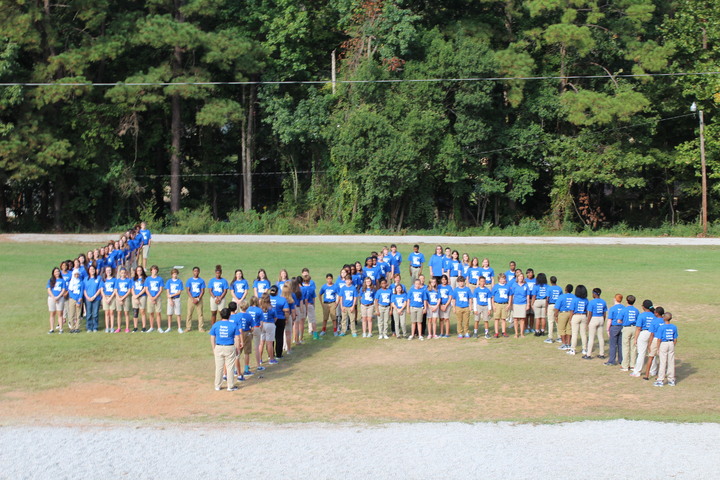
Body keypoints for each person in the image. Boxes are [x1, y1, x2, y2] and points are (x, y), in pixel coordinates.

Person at [209, 308, 240, 391]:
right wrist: (237, 348)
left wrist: (214, 348)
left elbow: (212, 337)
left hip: (219, 347)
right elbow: (237, 338)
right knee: (230, 367)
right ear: (229, 315)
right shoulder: (233, 325)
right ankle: (230, 386)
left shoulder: (216, 325)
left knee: (219, 367)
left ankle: (217, 385)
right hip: (229, 347)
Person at [631, 300, 655, 377]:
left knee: (641, 353)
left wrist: (635, 338)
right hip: (653, 334)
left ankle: (637, 371)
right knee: (652, 353)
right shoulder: (654, 315)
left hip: (644, 333)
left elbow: (638, 328)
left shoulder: (641, 315)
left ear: (643, 307)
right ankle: (653, 370)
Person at [654, 312, 678, 387]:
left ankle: (660, 380)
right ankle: (671, 379)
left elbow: (659, 339)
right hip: (671, 343)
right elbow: (675, 338)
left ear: (664, 318)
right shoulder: (674, 327)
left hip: (664, 343)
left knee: (663, 362)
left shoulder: (662, 327)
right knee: (671, 361)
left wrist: (658, 348)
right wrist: (673, 344)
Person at [643, 306, 665, 380]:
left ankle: (646, 375)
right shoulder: (664, 321)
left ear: (657, 313)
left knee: (651, 357)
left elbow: (652, 334)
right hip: (663, 340)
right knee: (662, 358)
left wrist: (649, 344)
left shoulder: (654, 321)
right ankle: (660, 375)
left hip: (655, 339)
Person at [268, 285, 290, 357]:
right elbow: (286, 310)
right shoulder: (282, 299)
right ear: (277, 292)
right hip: (280, 319)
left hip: (269, 319)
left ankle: (270, 354)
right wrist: (286, 319)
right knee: (279, 337)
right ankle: (279, 354)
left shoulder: (266, 299)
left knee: (270, 338)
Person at [568, 285, 590, 356]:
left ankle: (573, 349)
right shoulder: (586, 300)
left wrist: (570, 319)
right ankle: (584, 349)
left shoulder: (574, 300)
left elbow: (571, 310)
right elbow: (587, 310)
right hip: (583, 316)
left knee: (574, 333)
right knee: (583, 334)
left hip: (576, 316)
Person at [586, 288, 608, 359]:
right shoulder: (603, 302)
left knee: (591, 337)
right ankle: (602, 354)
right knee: (600, 337)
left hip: (594, 319)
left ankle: (588, 354)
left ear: (594, 294)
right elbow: (604, 313)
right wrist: (603, 321)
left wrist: (588, 323)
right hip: (601, 318)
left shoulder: (591, 302)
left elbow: (590, 314)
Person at [620, 295, 640, 372]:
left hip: (626, 328)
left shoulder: (624, 310)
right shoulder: (636, 310)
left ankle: (625, 365)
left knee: (625, 347)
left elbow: (619, 320)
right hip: (634, 328)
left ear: (627, 301)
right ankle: (633, 365)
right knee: (633, 347)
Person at [604, 294, 625, 366]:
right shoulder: (623, 308)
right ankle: (621, 360)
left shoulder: (612, 308)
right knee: (620, 344)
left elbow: (609, 320)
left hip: (614, 327)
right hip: (622, 327)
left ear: (615, 299)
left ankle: (612, 360)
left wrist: (607, 329)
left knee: (613, 345)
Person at [508, 271, 530, 338]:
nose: (521, 278)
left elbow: (528, 295)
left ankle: (522, 333)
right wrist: (510, 304)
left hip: (523, 303)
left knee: (522, 319)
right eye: (519, 276)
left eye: (522, 276)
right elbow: (511, 295)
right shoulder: (514, 285)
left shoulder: (525, 285)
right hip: (516, 303)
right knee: (515, 319)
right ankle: (516, 333)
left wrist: (528, 304)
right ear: (517, 277)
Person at [259, 293, 278, 365]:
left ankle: (260, 359)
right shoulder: (272, 308)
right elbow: (275, 318)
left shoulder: (260, 308)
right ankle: (271, 359)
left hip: (262, 324)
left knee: (261, 343)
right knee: (269, 343)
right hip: (270, 324)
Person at [236, 301, 254, 378]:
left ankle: (236, 369)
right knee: (247, 352)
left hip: (238, 334)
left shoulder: (237, 315)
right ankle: (246, 369)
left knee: (237, 352)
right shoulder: (249, 316)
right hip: (246, 333)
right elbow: (252, 327)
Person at [246, 296, 264, 371]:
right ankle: (258, 365)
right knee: (257, 347)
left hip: (249, 329)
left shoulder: (248, 309)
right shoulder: (259, 310)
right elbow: (261, 322)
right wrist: (261, 328)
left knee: (247, 348)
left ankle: (247, 365)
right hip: (256, 327)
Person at [554, 285, 575, 350]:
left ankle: (564, 344)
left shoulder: (562, 296)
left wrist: (556, 315)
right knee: (569, 329)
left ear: (566, 289)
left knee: (561, 329)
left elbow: (557, 307)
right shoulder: (574, 297)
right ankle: (569, 343)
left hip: (563, 313)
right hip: (571, 313)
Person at [185, 266, 206, 332]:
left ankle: (201, 327)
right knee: (189, 313)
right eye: (195, 271)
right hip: (191, 299)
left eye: (197, 271)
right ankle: (188, 327)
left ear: (199, 272)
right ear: (193, 272)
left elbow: (202, 290)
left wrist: (198, 299)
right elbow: (188, 290)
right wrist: (192, 299)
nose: (196, 272)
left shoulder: (201, 281)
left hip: (198, 299)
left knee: (200, 314)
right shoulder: (189, 280)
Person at [144, 265, 164, 333]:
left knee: (158, 313)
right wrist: (151, 297)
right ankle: (151, 327)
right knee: (151, 313)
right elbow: (146, 289)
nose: (154, 271)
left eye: (155, 269)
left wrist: (155, 297)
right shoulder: (148, 279)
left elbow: (161, 289)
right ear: (151, 271)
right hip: (150, 298)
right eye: (153, 269)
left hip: (157, 297)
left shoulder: (160, 279)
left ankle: (159, 327)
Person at [490, 273, 510, 338]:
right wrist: (493, 305)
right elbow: (492, 296)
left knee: (503, 319)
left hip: (504, 304)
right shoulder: (496, 286)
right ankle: (496, 332)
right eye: (501, 279)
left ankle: (504, 332)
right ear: (499, 279)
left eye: (504, 279)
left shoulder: (507, 286)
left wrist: (509, 304)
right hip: (497, 304)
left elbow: (510, 296)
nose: (503, 280)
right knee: (496, 319)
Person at [83, 265, 102, 333]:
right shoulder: (86, 279)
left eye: (93, 269)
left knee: (95, 313)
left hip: (96, 298)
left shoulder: (99, 278)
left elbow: (100, 289)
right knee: (89, 313)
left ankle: (95, 327)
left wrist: (94, 296)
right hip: (88, 299)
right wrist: (87, 297)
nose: (92, 271)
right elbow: (84, 289)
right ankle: (89, 327)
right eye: (91, 269)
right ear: (88, 271)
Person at [47, 267, 67, 334]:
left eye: (58, 271)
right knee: (52, 313)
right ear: (53, 273)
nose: (57, 273)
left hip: (60, 298)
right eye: (55, 272)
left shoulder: (62, 280)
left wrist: (58, 297)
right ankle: (52, 328)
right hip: (51, 298)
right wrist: (53, 297)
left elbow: (63, 290)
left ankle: (61, 329)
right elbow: (49, 289)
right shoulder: (50, 280)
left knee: (60, 313)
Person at [165, 268, 184, 333]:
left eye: (176, 274)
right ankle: (169, 327)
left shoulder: (179, 282)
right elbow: (167, 291)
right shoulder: (169, 281)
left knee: (178, 313)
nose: (175, 275)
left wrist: (172, 295)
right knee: (169, 313)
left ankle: (179, 327)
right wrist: (170, 299)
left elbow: (179, 292)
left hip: (176, 298)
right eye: (173, 274)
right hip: (170, 299)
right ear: (171, 275)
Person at [530, 273, 549, 338]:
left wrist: (532, 303)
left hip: (537, 301)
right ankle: (543, 330)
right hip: (544, 301)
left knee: (537, 318)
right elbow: (547, 296)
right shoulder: (547, 286)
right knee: (543, 317)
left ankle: (537, 331)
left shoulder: (536, 286)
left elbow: (534, 296)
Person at [114, 267, 132, 333]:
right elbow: (116, 290)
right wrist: (119, 298)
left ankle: (127, 328)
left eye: (124, 273)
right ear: (119, 273)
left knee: (126, 312)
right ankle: (119, 327)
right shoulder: (117, 280)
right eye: (122, 273)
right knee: (119, 313)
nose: (123, 274)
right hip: (118, 297)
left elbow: (129, 290)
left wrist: (123, 298)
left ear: (126, 273)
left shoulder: (128, 280)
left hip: (126, 297)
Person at [545, 276, 563, 343]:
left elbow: (547, 298)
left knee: (550, 321)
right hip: (557, 306)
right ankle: (559, 337)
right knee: (557, 321)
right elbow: (561, 298)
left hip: (551, 304)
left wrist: (546, 307)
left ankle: (550, 337)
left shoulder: (549, 288)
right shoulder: (559, 288)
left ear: (550, 281)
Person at [66, 269, 84, 333]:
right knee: (71, 314)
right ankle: (72, 327)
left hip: (79, 299)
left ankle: (77, 327)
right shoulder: (71, 282)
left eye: (77, 274)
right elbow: (70, 292)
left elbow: (81, 291)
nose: (76, 275)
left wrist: (79, 300)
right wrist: (75, 298)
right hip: (72, 299)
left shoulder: (81, 282)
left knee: (78, 314)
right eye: (75, 274)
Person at [132, 266, 148, 332]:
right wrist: (135, 296)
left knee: (142, 311)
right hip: (135, 297)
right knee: (135, 312)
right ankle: (135, 327)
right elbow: (132, 288)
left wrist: (138, 295)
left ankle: (144, 327)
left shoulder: (145, 279)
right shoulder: (133, 279)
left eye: (140, 270)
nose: (139, 272)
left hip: (142, 296)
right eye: (138, 270)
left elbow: (144, 288)